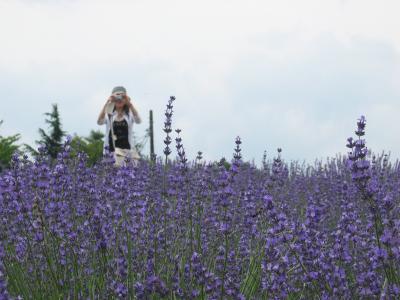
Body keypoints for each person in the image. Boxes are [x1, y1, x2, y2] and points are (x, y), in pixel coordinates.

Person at [97, 86, 142, 166]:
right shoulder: (109, 114)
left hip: (127, 152)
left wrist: (130, 104)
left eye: (122, 96)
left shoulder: (129, 114)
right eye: (117, 96)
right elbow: (99, 122)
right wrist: (107, 103)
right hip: (111, 152)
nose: (119, 99)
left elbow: (138, 120)